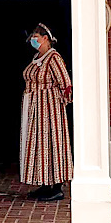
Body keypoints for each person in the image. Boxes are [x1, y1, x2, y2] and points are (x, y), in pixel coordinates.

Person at [20, 23, 73, 202]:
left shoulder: (53, 58)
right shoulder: (37, 57)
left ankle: (56, 186)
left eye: (37, 36)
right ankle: (44, 183)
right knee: (39, 145)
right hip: (35, 107)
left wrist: (58, 105)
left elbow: (65, 84)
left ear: (46, 39)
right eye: (33, 36)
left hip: (49, 108)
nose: (34, 40)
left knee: (52, 144)